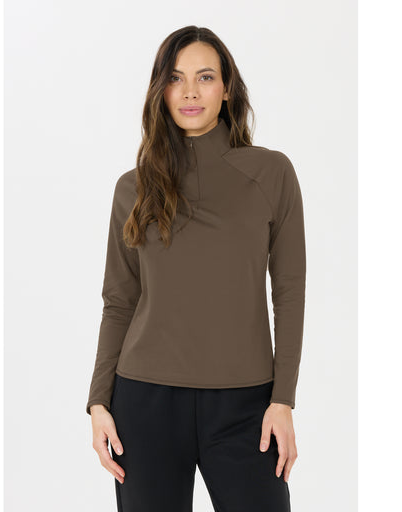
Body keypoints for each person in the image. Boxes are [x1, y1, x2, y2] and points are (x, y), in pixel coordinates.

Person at [86, 25, 306, 512]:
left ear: (226, 89)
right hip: (144, 402)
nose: (189, 91)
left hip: (247, 406)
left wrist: (283, 400)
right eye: (175, 78)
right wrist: (99, 401)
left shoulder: (271, 173)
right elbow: (119, 300)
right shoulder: (133, 187)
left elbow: (289, 291)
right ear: (160, 90)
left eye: (205, 77)